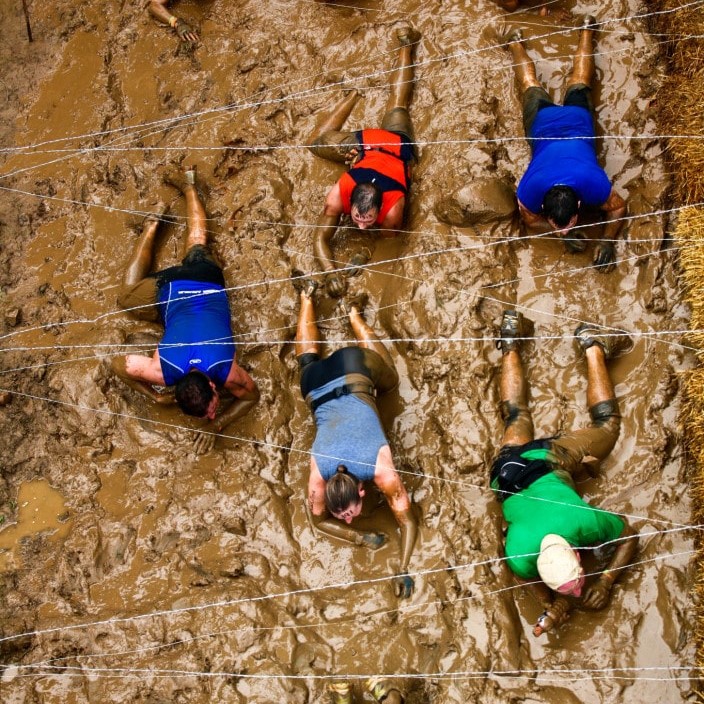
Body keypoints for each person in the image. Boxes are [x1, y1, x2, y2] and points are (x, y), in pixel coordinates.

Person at [490, 310, 639, 636]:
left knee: (608, 427)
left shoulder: (582, 524)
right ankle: (513, 340)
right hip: (505, 470)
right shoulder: (520, 554)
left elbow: (629, 534)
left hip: (546, 460)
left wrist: (607, 580)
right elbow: (521, 574)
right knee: (515, 414)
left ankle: (594, 345)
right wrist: (550, 602)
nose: (577, 592)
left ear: (576, 550)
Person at [112, 165, 259, 453]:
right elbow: (118, 365)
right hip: (192, 283)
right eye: (213, 412)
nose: (214, 414)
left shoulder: (216, 372)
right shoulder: (163, 370)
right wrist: (155, 396)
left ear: (214, 388)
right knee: (195, 242)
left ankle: (154, 224)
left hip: (192, 286)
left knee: (127, 297)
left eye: (211, 409)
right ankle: (186, 188)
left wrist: (215, 425)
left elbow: (252, 396)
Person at [296, 283, 417, 598]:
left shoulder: (383, 474)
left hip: (352, 369)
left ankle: (354, 316)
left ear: (363, 489)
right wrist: (358, 538)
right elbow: (318, 519)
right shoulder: (318, 478)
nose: (349, 519)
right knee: (306, 365)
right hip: (315, 386)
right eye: (345, 516)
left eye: (349, 513)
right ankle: (307, 296)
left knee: (390, 379)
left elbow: (408, 522)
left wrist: (404, 567)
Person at [505, 17, 627, 272]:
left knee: (535, 83)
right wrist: (562, 234)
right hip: (552, 123)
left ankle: (517, 42)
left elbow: (618, 207)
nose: (568, 226)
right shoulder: (529, 191)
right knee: (567, 80)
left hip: (563, 123)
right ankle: (585, 29)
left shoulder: (591, 186)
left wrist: (607, 242)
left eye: (569, 224)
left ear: (581, 204)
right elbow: (530, 222)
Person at [307, 27, 421, 296]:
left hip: (395, 144)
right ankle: (353, 95)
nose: (360, 225)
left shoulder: (392, 213)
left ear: (380, 208)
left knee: (399, 103)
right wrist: (330, 273)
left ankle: (408, 44)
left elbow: (389, 245)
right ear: (350, 198)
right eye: (358, 218)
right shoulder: (337, 195)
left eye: (367, 220)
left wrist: (365, 252)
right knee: (317, 143)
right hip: (366, 144)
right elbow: (319, 237)